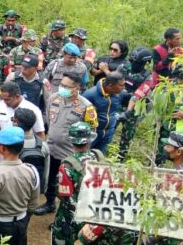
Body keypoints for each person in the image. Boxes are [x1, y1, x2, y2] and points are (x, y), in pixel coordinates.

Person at [35, 71, 97, 215]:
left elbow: (91, 132)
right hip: (52, 148)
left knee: (67, 184)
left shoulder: (85, 106)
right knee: (50, 179)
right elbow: (50, 122)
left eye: (66, 86)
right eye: (61, 84)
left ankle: (65, 212)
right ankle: (50, 203)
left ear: (77, 88)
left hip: (70, 154)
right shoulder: (53, 99)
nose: (62, 88)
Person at [0, 126, 39, 245]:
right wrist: (25, 219)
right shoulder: (32, 171)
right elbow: (33, 204)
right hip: (21, 222)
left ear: (3, 148)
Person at [51, 121, 102, 245]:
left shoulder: (67, 165)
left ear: (71, 141)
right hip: (94, 211)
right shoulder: (98, 157)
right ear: (89, 140)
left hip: (73, 216)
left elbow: (67, 199)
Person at [82, 72, 127, 154]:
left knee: (100, 159)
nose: (123, 87)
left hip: (107, 133)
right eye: (121, 85)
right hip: (92, 133)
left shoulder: (120, 94)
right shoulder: (90, 95)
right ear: (110, 85)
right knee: (85, 157)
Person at [0, 82, 45, 147]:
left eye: (8, 100)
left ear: (17, 96)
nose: (5, 102)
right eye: (3, 99)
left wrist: (40, 150)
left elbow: (39, 133)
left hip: (24, 150)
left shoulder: (33, 109)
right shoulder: (1, 105)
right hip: (4, 149)